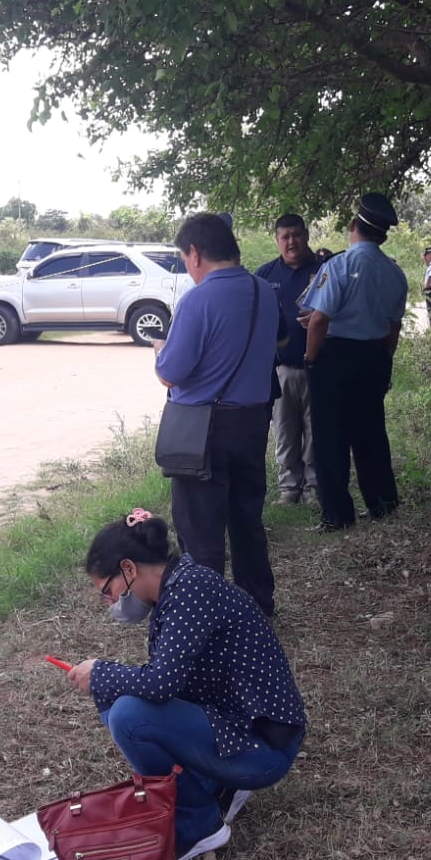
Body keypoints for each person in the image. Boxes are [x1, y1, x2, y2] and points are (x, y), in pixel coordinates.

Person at [68, 510, 307, 860]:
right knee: (114, 697)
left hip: (264, 750)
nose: (110, 604)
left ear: (129, 569)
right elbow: (168, 683)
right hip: (237, 730)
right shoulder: (175, 590)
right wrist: (106, 681)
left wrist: (102, 672)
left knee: (127, 715)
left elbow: (162, 684)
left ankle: (198, 826)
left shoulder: (191, 590)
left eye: (108, 591)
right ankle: (214, 787)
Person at [153, 213, 280, 615]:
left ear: (194, 253)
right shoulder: (264, 290)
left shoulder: (198, 298)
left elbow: (171, 374)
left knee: (201, 531)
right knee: (247, 521)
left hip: (204, 430)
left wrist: (159, 352)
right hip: (254, 421)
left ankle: (205, 617)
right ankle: (256, 608)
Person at [300, 193, 410, 531]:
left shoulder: (339, 265)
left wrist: (310, 359)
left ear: (353, 227)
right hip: (375, 356)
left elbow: (318, 320)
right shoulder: (395, 273)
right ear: (383, 236)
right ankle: (382, 503)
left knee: (330, 437)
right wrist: (384, 361)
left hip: (335, 359)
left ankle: (337, 514)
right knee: (371, 432)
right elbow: (394, 325)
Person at [255, 214, 321, 505]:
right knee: (284, 431)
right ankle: (288, 489)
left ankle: (314, 489)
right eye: (285, 236)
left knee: (316, 430)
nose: (291, 241)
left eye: (296, 234)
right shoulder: (264, 276)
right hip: (280, 368)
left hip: (320, 367)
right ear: (277, 240)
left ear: (306, 235)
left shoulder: (325, 270)